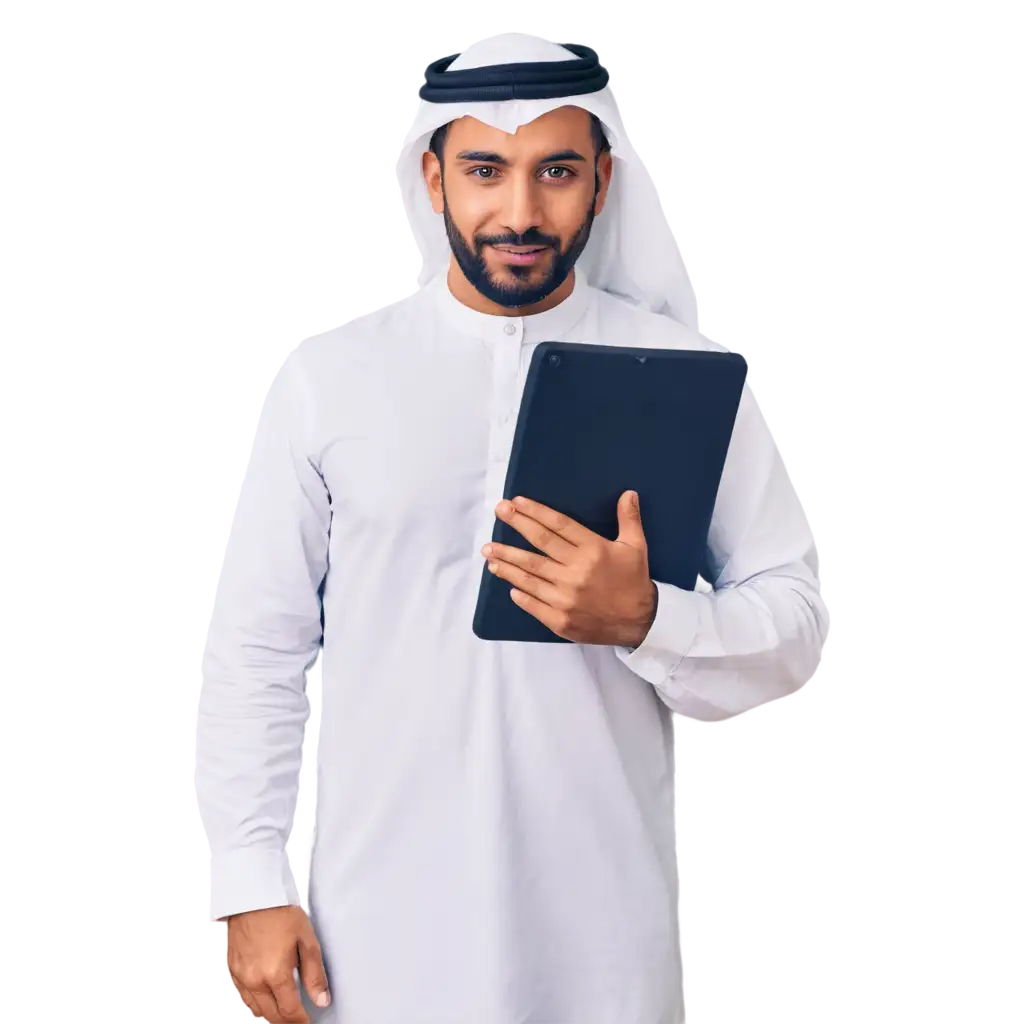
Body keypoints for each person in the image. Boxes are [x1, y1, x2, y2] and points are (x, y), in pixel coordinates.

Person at [191, 30, 830, 1024]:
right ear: (433, 178)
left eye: (557, 172)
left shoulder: (684, 375)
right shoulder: (326, 379)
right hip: (370, 928)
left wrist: (648, 617)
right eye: (486, 170)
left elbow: (793, 626)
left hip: (601, 936)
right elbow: (257, 653)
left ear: (602, 181)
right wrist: (250, 883)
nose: (520, 213)